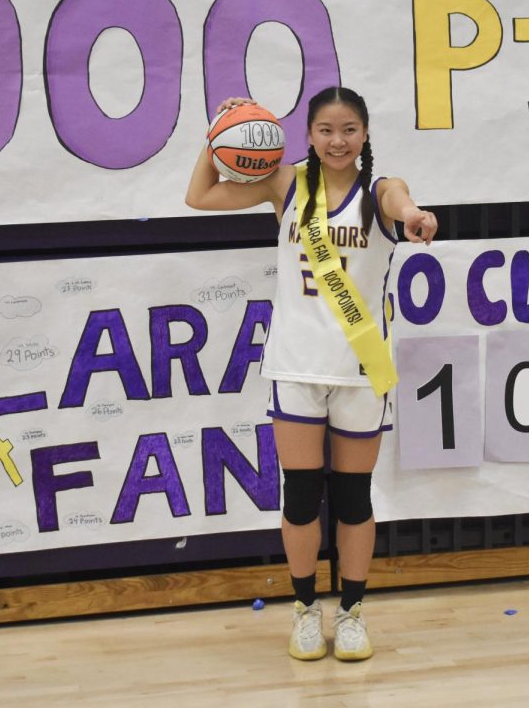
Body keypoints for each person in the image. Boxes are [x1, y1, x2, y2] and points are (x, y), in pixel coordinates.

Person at [186, 86, 438, 661]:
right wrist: (217, 134)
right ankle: (303, 610)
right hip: (297, 364)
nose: (337, 140)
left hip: (359, 369)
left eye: (349, 129)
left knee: (353, 498)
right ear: (308, 135)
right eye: (325, 129)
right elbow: (199, 195)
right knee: (300, 497)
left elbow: (404, 204)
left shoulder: (381, 191)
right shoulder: (286, 183)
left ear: (365, 134)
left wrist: (417, 217)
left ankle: (351, 612)